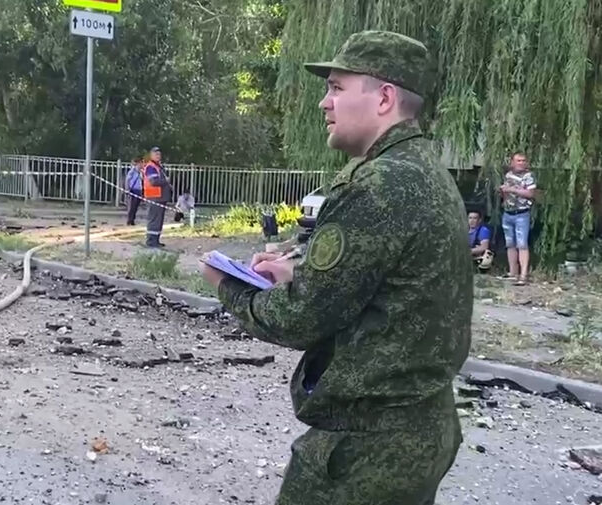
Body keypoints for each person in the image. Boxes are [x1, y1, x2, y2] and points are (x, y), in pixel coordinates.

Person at [201, 30, 472, 505]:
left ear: (385, 97)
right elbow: (392, 292)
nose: (325, 103)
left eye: (337, 88)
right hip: (419, 428)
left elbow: (300, 319)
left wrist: (229, 286)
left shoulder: (380, 184)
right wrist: (298, 274)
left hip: (365, 450)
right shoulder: (426, 170)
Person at [500, 152, 536, 285]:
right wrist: (503, 193)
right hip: (507, 213)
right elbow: (505, 192)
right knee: (510, 244)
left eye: (523, 160)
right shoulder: (508, 175)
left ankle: (523, 275)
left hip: (521, 214)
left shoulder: (529, 176)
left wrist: (512, 190)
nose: (521, 163)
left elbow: (530, 193)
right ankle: (512, 272)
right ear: (512, 162)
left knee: (522, 244)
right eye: (518, 160)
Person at [142, 146, 173, 248]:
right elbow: (153, 181)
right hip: (154, 196)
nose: (158, 156)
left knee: (158, 220)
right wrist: (166, 181)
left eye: (159, 154)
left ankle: (156, 240)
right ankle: (151, 241)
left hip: (160, 197)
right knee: (154, 219)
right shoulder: (151, 167)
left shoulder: (158, 166)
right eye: (156, 154)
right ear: (151, 155)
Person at [126, 157, 144, 225]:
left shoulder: (140, 172)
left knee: (136, 206)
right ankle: (129, 220)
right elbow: (128, 180)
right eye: (141, 163)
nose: (142, 164)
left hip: (139, 190)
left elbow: (141, 181)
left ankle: (132, 219)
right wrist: (127, 189)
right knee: (132, 206)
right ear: (138, 163)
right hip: (133, 190)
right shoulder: (132, 171)